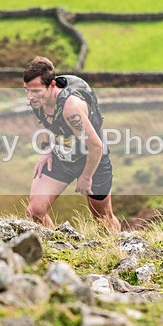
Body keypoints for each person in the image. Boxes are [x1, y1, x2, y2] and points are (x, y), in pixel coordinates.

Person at [23, 56, 120, 231]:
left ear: (52, 86)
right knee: (35, 211)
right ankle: (56, 245)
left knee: (103, 218)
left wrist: (86, 177)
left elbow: (96, 146)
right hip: (62, 156)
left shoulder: (71, 109)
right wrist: (47, 149)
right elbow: (46, 123)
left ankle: (118, 249)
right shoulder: (39, 101)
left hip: (93, 161)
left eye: (35, 91)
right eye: (27, 90)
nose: (30, 97)